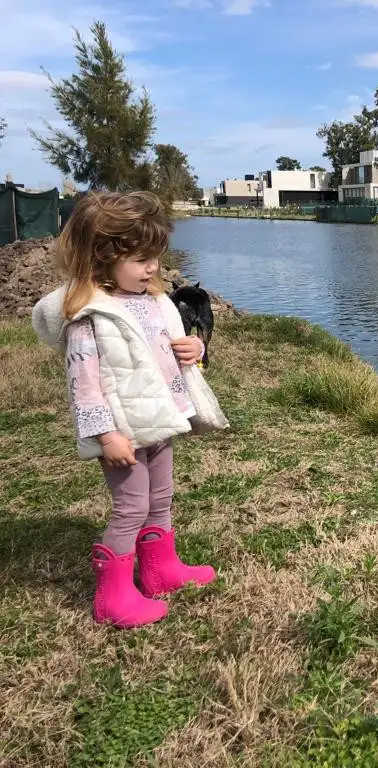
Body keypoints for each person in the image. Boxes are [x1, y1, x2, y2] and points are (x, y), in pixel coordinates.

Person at [32, 191, 229, 629]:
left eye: (154, 257)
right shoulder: (91, 317)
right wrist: (105, 435)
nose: (153, 268)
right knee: (131, 508)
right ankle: (114, 596)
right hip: (123, 429)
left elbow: (168, 355)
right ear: (102, 259)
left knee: (160, 499)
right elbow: (83, 386)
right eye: (141, 260)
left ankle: (159, 570)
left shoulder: (153, 303)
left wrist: (192, 349)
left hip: (159, 417)